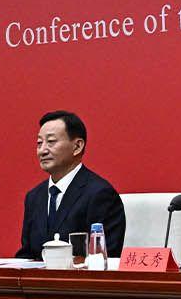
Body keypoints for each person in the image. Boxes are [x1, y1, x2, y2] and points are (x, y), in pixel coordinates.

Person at [17, 110, 127, 260]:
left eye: (51, 142)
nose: (42, 150)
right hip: (38, 283)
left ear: (77, 146)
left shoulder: (100, 194)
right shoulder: (34, 197)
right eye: (39, 143)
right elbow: (27, 254)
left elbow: (105, 258)